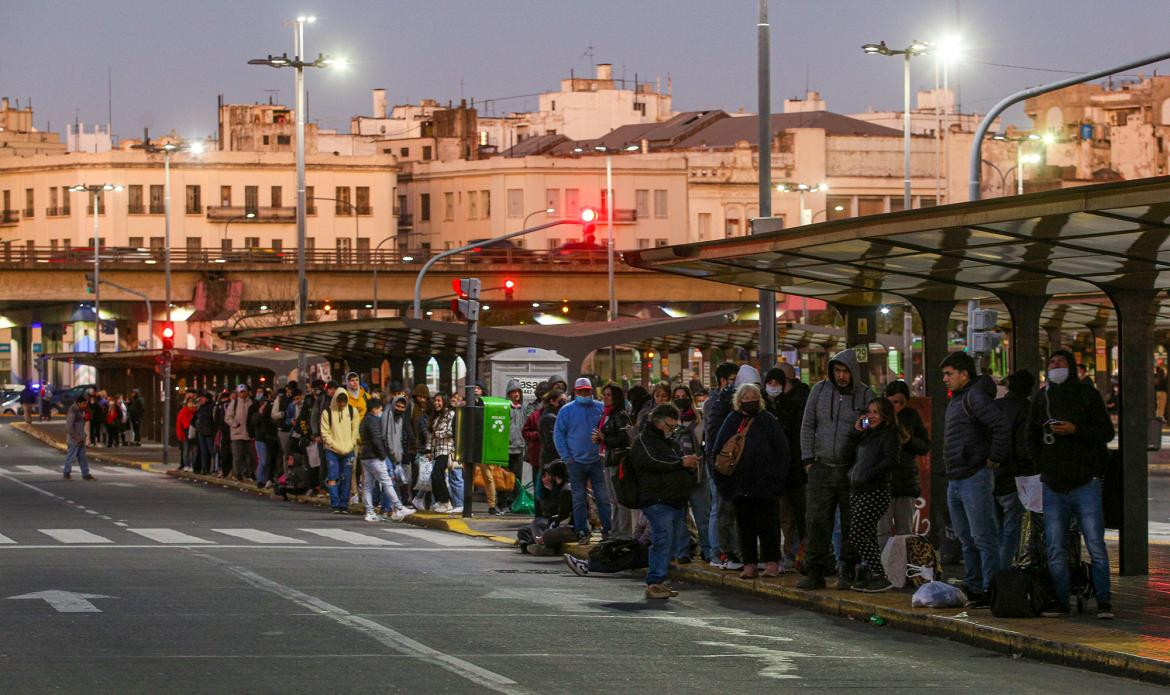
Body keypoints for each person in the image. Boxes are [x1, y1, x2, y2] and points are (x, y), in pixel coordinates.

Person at [1028, 350, 1116, 619]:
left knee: (1095, 544)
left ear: (1072, 367)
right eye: (1052, 363)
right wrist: (1042, 464)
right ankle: (1062, 602)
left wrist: (1075, 430)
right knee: (1055, 547)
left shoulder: (1086, 395)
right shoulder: (1042, 398)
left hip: (1084, 482)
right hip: (1053, 484)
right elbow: (1030, 435)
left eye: (1061, 362)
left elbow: (1106, 432)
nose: (1056, 366)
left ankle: (1104, 602)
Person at [797, 348, 873, 590]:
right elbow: (808, 425)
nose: (841, 376)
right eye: (837, 371)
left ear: (853, 372)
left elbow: (870, 431)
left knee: (852, 522)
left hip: (850, 470)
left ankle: (848, 570)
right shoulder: (818, 392)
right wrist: (808, 460)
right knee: (817, 521)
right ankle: (815, 571)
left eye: (845, 371)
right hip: (821, 467)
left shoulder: (865, 396)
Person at [940, 350, 1010, 605]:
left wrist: (995, 457)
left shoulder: (975, 397)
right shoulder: (957, 399)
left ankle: (990, 588)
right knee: (966, 538)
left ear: (964, 374)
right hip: (956, 477)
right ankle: (974, 586)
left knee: (983, 536)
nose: (945, 379)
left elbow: (1000, 426)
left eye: (949, 374)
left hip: (974, 476)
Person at [712, 383, 788, 579]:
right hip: (741, 485)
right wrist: (725, 483)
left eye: (753, 399)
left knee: (768, 525)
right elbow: (719, 449)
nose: (749, 402)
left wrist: (777, 479)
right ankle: (749, 563)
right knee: (745, 527)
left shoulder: (768, 420)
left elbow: (781, 450)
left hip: (765, 485)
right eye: (745, 399)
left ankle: (772, 563)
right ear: (739, 401)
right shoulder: (732, 421)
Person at [630, 403, 700, 599]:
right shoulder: (643, 441)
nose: (672, 430)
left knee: (671, 541)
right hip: (656, 499)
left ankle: (659, 581)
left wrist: (689, 466)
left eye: (674, 427)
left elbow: (675, 461)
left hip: (675, 499)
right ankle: (654, 581)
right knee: (662, 539)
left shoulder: (670, 441)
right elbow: (653, 462)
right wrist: (681, 463)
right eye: (670, 426)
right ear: (658, 423)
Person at [844, 397, 903, 592]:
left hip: (875, 490)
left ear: (885, 415)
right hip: (858, 489)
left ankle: (879, 574)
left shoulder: (890, 434)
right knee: (866, 533)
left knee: (858, 533)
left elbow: (891, 460)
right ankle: (873, 573)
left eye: (876, 412)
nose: (871, 416)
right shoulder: (866, 435)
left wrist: (868, 474)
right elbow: (846, 454)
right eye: (869, 412)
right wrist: (855, 432)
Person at [553, 377, 611, 545]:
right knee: (578, 499)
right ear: (576, 391)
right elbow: (559, 435)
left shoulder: (601, 408)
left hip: (596, 461)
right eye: (582, 391)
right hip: (575, 462)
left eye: (587, 390)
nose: (585, 393)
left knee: (603, 497)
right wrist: (567, 458)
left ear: (591, 390)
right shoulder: (566, 411)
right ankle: (582, 532)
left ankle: (607, 530)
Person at [765, 364, 810, 570]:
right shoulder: (775, 404)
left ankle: (800, 554)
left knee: (800, 514)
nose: (775, 387)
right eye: (771, 383)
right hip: (784, 469)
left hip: (797, 468)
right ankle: (792, 553)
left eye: (779, 383)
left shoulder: (799, 401)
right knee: (786, 515)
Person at [878, 381, 931, 550]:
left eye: (901, 402)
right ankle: (883, 567)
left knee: (905, 532)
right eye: (894, 402)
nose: (898, 406)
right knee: (882, 531)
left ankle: (900, 568)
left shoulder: (911, 416)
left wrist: (908, 440)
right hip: (882, 482)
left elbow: (924, 446)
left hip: (905, 482)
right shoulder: (876, 414)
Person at [993, 370, 1036, 569]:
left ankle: (992, 577)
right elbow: (1023, 447)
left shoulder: (996, 406)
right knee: (1011, 530)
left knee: (993, 529)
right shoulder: (1027, 409)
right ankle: (1003, 575)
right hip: (1014, 478)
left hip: (992, 475)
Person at [704, 361, 744, 571]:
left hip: (726, 463)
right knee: (719, 510)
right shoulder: (716, 403)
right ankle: (717, 552)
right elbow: (714, 436)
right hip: (718, 464)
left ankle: (728, 550)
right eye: (732, 380)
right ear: (722, 381)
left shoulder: (723, 402)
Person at [358, 398, 415, 522]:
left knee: (368, 486)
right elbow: (377, 439)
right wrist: (383, 456)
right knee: (387, 483)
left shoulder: (364, 420)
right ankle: (399, 507)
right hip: (375, 457)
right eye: (380, 409)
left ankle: (369, 512)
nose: (381, 411)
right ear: (374, 409)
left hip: (365, 457)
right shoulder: (373, 421)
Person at [672, 384, 711, 562]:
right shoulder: (670, 421)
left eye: (684, 395)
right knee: (679, 517)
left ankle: (708, 550)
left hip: (698, 474)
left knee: (703, 515)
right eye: (677, 396)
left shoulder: (701, 420)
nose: (681, 399)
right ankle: (683, 551)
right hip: (677, 475)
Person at [596, 383, 635, 538]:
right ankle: (616, 531)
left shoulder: (620, 415)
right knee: (613, 499)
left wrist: (605, 438)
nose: (605, 398)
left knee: (620, 498)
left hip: (618, 460)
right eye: (604, 395)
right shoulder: (609, 414)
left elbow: (624, 439)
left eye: (608, 395)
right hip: (609, 458)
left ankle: (622, 532)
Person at [320, 388, 360, 513]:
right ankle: (335, 503)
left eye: (344, 401)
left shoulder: (353, 411)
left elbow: (355, 431)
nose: (342, 404)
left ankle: (344, 504)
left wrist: (351, 444)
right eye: (339, 401)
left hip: (348, 449)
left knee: (347, 477)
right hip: (332, 450)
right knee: (333, 476)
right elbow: (325, 433)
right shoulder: (327, 412)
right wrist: (335, 446)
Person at [429, 393, 457, 513]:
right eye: (435, 400)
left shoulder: (450, 414)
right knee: (435, 476)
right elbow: (430, 435)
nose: (436, 403)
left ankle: (446, 502)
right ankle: (441, 501)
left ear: (444, 401)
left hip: (447, 450)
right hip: (437, 450)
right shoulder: (436, 416)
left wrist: (438, 434)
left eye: (439, 401)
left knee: (437, 474)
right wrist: (429, 450)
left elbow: (451, 431)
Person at [226, 385, 256, 481]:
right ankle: (237, 473)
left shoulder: (251, 403)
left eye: (244, 391)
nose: (242, 393)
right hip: (237, 433)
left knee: (250, 456)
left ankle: (249, 473)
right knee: (237, 455)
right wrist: (235, 424)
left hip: (248, 433)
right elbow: (228, 417)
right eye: (240, 392)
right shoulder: (233, 403)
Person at [505, 379, 526, 511]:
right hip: (506, 448)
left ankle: (515, 502)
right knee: (505, 477)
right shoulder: (505, 407)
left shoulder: (523, 408)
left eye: (518, 391)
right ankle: (505, 501)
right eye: (513, 392)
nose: (516, 394)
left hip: (519, 447)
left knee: (517, 478)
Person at [63, 395, 94, 480]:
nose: (85, 405)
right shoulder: (73, 411)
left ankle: (85, 474)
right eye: (84, 404)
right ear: (78, 403)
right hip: (74, 440)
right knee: (71, 457)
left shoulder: (80, 410)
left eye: (86, 404)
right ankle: (66, 473)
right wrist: (76, 437)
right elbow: (69, 427)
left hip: (80, 438)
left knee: (82, 457)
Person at [194, 391, 216, 475]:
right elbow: (196, 418)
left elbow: (210, 417)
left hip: (209, 431)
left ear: (207, 399)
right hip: (201, 431)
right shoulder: (200, 407)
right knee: (203, 451)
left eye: (203, 398)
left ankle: (214, 468)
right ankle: (205, 469)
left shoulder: (211, 406)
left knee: (211, 450)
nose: (201, 399)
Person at [174, 396, 196, 470]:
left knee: (193, 450)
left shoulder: (195, 411)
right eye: (189, 402)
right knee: (186, 450)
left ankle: (192, 465)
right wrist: (180, 435)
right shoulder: (183, 411)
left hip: (193, 433)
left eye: (192, 402)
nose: (191, 404)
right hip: (185, 433)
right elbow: (179, 424)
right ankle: (186, 465)